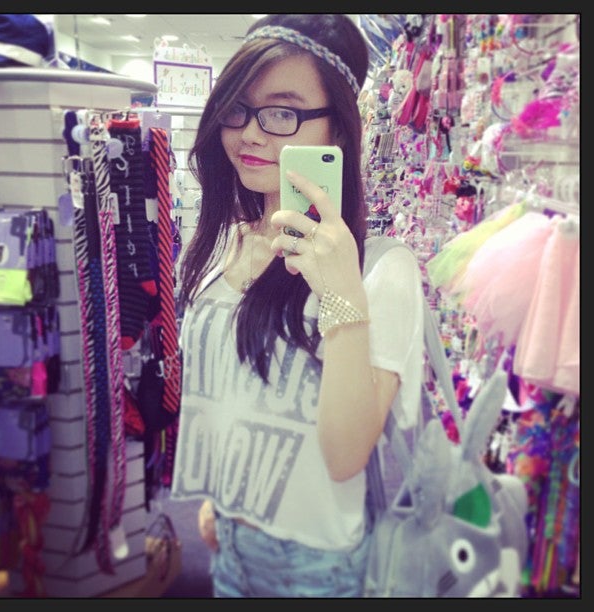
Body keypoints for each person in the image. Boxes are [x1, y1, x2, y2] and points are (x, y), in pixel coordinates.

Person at [170, 14, 425, 597]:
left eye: (282, 113)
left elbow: (345, 455)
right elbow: (229, 394)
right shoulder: (220, 244)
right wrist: (220, 500)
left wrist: (339, 292)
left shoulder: (382, 269)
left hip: (316, 566)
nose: (249, 134)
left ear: (339, 131)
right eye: (237, 109)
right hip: (227, 542)